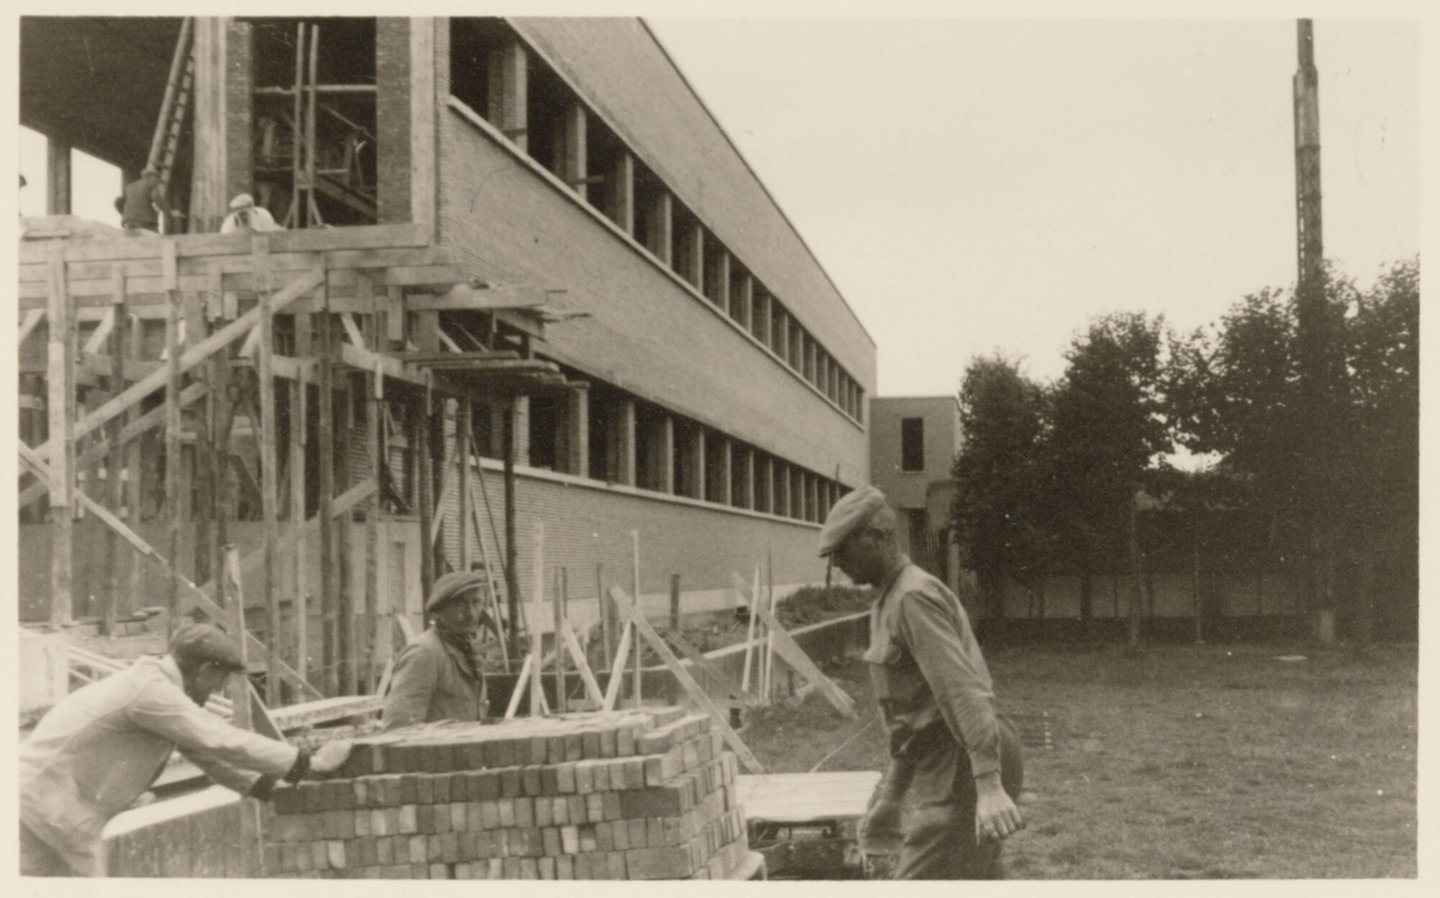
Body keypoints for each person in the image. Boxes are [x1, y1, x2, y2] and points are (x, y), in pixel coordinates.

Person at [19, 623, 353, 877]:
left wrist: (265, 787)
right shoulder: (151, 692)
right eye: (220, 679)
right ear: (206, 670)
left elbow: (205, 754)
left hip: (53, 814)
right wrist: (308, 763)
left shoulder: (156, 688)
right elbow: (216, 737)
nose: (220, 688)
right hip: (40, 813)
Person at [819, 486, 1025, 879]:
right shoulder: (886, 601)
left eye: (842, 551)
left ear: (877, 538)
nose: (837, 564)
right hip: (946, 760)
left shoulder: (914, 597)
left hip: (963, 762)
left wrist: (989, 785)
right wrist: (892, 797)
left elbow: (961, 691)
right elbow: (910, 717)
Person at [381, 570, 492, 730]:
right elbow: (398, 726)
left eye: (476, 602)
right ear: (439, 611)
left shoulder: (466, 650)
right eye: (459, 604)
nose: (471, 613)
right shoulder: (424, 653)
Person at [116, 166, 179, 236]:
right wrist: (170, 212)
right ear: (151, 177)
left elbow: (117, 202)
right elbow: (156, 198)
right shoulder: (150, 184)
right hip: (144, 222)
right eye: (156, 178)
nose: (157, 181)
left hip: (127, 222)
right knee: (158, 240)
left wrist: (125, 214)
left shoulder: (130, 186)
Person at [220, 192, 284, 234]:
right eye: (240, 214)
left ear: (252, 209)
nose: (244, 217)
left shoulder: (263, 214)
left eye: (245, 213)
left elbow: (274, 232)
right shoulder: (228, 224)